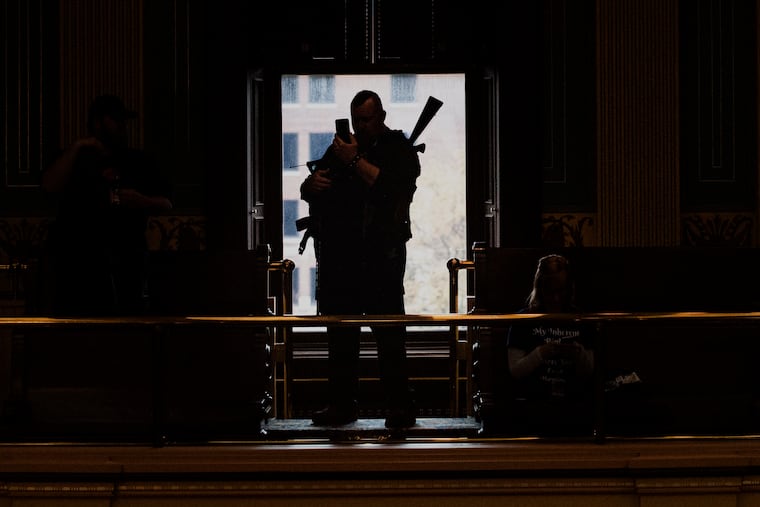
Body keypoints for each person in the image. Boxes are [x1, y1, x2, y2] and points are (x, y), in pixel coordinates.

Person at [299, 90, 420, 429]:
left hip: (382, 258)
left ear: (381, 116)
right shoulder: (341, 148)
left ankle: (399, 407)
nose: (361, 126)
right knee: (340, 336)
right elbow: (312, 188)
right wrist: (311, 185)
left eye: (366, 119)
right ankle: (341, 405)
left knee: (390, 335)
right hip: (343, 259)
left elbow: (390, 189)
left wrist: (353, 160)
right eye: (356, 120)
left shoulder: (399, 149)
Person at [42, 94, 173, 316]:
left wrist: (142, 201)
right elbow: (49, 187)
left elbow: (167, 203)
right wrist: (78, 147)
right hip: (78, 265)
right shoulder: (74, 160)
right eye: (117, 120)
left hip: (128, 260)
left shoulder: (138, 161)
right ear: (98, 122)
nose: (123, 127)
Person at [505, 254, 595, 435]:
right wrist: (541, 353)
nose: (555, 298)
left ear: (569, 289)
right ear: (540, 289)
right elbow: (515, 370)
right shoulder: (524, 320)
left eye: (560, 291)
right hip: (534, 401)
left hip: (575, 402)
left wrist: (578, 355)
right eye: (550, 291)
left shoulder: (581, 319)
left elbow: (591, 371)